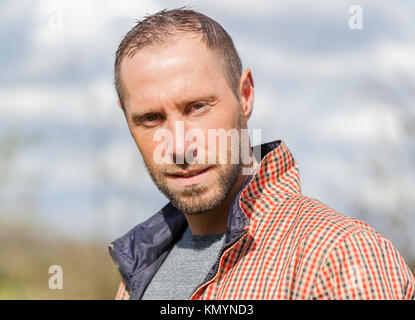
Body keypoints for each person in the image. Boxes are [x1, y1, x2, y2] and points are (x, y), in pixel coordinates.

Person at [108, 8, 415, 300]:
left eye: (197, 107)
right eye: (151, 118)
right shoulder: (140, 271)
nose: (178, 147)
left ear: (245, 95)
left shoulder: (339, 257)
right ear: (126, 118)